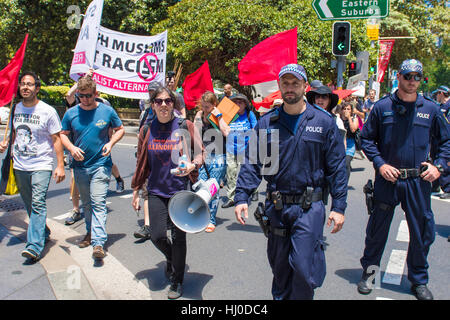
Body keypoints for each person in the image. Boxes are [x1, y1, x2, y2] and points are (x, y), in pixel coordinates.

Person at [234, 64, 347, 300]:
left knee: (304, 270)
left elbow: (337, 168)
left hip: (310, 207)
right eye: (285, 83)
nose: (290, 87)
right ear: (279, 86)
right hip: (277, 206)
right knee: (281, 270)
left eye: (295, 83)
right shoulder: (267, 123)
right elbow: (253, 162)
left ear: (305, 86)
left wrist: (338, 207)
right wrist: (242, 196)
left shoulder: (324, 122)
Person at [358, 59, 450, 300]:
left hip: (417, 181)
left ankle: (418, 280)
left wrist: (438, 167)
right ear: (398, 76)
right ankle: (369, 274)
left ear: (421, 80)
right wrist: (380, 164)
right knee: (377, 230)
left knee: (421, 232)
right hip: (388, 179)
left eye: (416, 77)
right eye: (407, 76)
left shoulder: (431, 109)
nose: (411, 81)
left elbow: (447, 142)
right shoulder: (381, 107)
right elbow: (366, 139)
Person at [131, 86, 205, 299]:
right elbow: (141, 163)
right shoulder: (147, 130)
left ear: (174, 104)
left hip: (180, 191)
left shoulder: (185, 125)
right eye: (159, 101)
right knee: (156, 236)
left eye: (168, 101)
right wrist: (136, 190)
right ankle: (173, 259)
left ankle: (177, 280)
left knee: (179, 237)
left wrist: (193, 165)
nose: (163, 105)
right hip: (155, 191)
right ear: (152, 105)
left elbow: (201, 153)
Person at [0, 71, 65, 262]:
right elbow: (13, 134)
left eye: (29, 84)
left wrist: (60, 165)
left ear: (37, 88)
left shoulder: (47, 111)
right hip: (19, 165)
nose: (25, 87)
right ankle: (42, 230)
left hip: (41, 165)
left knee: (37, 202)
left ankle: (34, 245)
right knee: (29, 203)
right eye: (22, 84)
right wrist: (5, 144)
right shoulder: (15, 108)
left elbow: (56, 139)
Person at [60, 75, 124, 261]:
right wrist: (71, 148)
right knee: (87, 204)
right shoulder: (71, 114)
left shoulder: (107, 111)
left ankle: (98, 242)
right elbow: (63, 135)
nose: (85, 100)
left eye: (89, 96)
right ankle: (89, 233)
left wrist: (111, 144)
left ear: (96, 94)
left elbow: (120, 129)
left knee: (98, 202)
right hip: (79, 167)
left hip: (101, 165)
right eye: (82, 96)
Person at [194, 91, 229, 232]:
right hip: (204, 156)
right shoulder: (200, 115)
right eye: (203, 106)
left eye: (207, 107)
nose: (204, 109)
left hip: (219, 156)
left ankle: (211, 220)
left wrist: (218, 116)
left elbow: (226, 132)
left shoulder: (220, 115)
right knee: (201, 187)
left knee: (213, 189)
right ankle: (201, 216)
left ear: (214, 105)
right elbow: (196, 137)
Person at [133, 81, 162, 240]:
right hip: (148, 158)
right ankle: (148, 225)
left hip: (165, 161)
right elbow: (141, 135)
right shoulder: (144, 114)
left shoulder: (173, 117)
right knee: (147, 191)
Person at [221, 93, 258, 208]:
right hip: (231, 148)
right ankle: (232, 197)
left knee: (247, 171)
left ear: (245, 104)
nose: (238, 104)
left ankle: (253, 190)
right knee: (231, 172)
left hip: (246, 148)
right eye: (235, 102)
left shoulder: (249, 114)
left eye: (240, 102)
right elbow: (221, 126)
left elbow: (255, 128)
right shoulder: (229, 115)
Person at [339, 102, 360, 182]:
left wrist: (349, 118)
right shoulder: (338, 118)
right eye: (344, 109)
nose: (346, 111)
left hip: (349, 145)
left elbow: (353, 129)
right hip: (339, 144)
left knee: (346, 163)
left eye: (348, 109)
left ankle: (345, 183)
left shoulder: (354, 118)